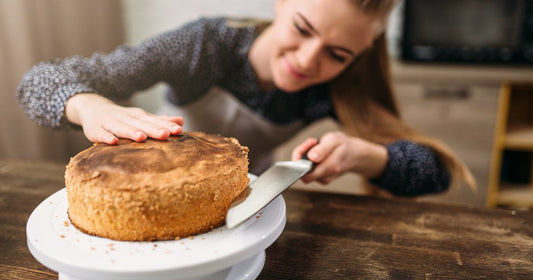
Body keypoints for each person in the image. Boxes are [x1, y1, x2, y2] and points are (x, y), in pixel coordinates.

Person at [16, 0, 475, 196]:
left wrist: (366, 156)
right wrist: (90, 104)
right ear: (280, 3)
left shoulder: (341, 86)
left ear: (358, 55)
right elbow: (39, 80)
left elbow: (437, 173)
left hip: (249, 204)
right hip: (154, 186)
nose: (308, 61)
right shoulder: (205, 46)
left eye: (336, 54)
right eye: (302, 29)